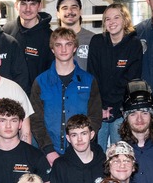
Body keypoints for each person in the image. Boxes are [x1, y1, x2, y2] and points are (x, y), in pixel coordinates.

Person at [29, 28, 102, 164]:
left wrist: (82, 145)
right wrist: (49, 150)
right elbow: (35, 120)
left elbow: (95, 117)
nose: (63, 49)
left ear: (75, 48)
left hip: (81, 154)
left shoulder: (88, 81)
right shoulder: (40, 82)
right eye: (58, 45)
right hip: (49, 154)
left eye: (68, 44)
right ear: (52, 49)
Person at [87, 4, 142, 148]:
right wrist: (100, 107)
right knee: (97, 152)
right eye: (108, 19)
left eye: (116, 17)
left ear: (125, 20)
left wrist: (115, 108)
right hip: (99, 110)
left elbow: (131, 80)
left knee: (119, 152)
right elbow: (92, 76)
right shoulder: (97, 42)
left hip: (121, 109)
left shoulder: (134, 44)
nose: (112, 22)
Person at [4, 0, 54, 89]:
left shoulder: (50, 37)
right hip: (10, 94)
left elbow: (52, 74)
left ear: (39, 6)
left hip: (39, 95)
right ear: (16, 5)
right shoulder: (7, 31)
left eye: (32, 4)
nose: (28, 9)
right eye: (23, 4)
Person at [54, 0, 95, 71]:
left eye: (74, 7)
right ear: (58, 14)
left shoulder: (93, 39)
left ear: (80, 11)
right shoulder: (51, 40)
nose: (69, 11)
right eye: (65, 8)